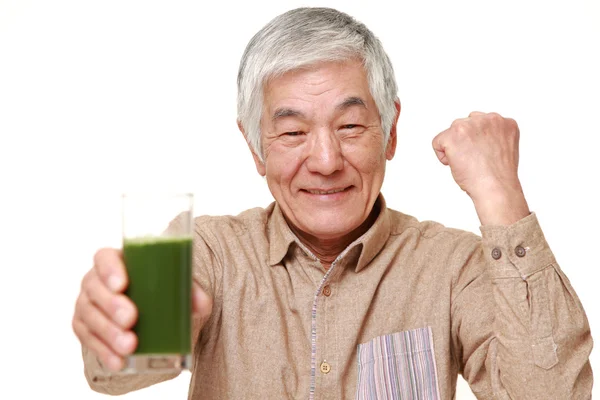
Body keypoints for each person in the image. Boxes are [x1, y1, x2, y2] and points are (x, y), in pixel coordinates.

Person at [72, 7, 593, 399]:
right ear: (255, 147)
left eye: (349, 126)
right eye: (293, 131)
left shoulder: (452, 266)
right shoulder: (209, 251)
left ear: (389, 132)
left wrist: (500, 193)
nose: (324, 160)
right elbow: (123, 365)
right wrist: (119, 326)